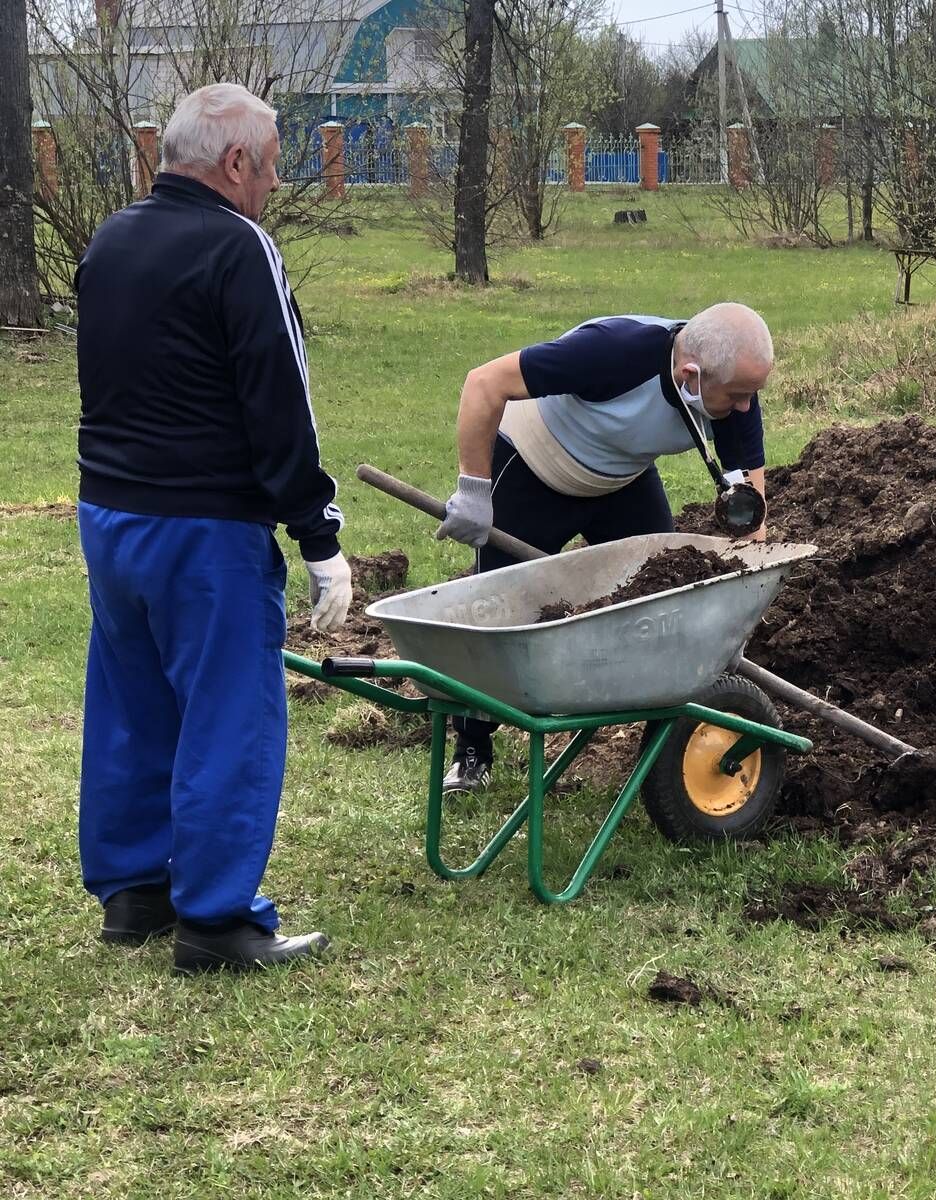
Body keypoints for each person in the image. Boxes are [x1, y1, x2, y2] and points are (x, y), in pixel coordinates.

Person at [75, 83, 351, 974]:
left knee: (132, 704)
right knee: (229, 715)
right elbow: (282, 404)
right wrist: (319, 535)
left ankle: (135, 891)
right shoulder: (241, 248)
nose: (271, 185)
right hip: (205, 531)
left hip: (111, 516)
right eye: (270, 168)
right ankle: (218, 919)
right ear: (235, 164)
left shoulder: (109, 241)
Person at [432, 304, 773, 792]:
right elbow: (485, 382)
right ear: (690, 374)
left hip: (621, 481)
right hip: (535, 466)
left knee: (666, 590)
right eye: (737, 396)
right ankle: (472, 751)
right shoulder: (613, 351)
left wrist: (739, 605)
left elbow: (750, 512)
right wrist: (472, 488)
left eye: (751, 395)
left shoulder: (737, 393)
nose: (745, 408)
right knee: (501, 610)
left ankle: (665, 749)